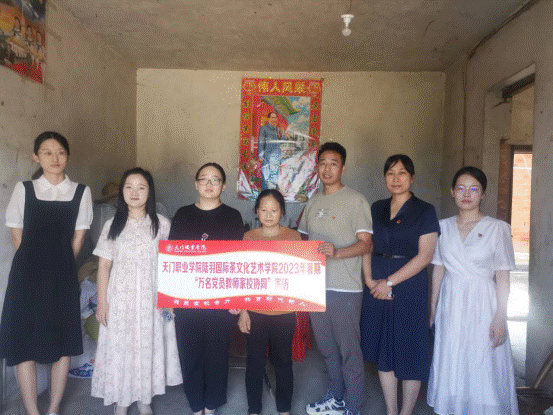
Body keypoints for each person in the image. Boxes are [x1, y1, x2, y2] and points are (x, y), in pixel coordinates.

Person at [0, 131, 93, 415]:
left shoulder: (81, 192)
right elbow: (17, 235)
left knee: (63, 344)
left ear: (68, 157)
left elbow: (78, 239)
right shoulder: (24, 189)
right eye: (47, 152)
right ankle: (32, 411)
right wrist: (36, 265)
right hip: (26, 276)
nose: (55, 158)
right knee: (23, 344)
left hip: (63, 276)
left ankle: (53, 408)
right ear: (36, 157)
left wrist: (59, 266)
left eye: (60, 152)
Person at [427, 166, 519, 415]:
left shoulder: (497, 228)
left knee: (483, 359)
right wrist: (433, 308)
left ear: (483, 194)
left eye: (474, 189)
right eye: (461, 188)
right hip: (451, 302)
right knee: (453, 356)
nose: (466, 194)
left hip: (483, 302)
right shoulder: (442, 227)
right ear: (452, 192)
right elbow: (438, 269)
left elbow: (503, 276)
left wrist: (501, 316)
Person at [91, 167, 182, 415]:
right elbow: (104, 266)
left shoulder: (162, 225)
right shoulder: (112, 224)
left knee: (147, 346)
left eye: (141, 187)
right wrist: (102, 303)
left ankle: (144, 399)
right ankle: (121, 400)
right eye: (129, 187)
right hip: (120, 299)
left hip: (152, 300)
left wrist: (170, 301)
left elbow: (170, 265)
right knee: (122, 347)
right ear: (122, 192)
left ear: (149, 192)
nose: (134, 192)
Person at [360, 154, 439, 415]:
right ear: (385, 178)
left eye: (402, 173)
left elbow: (425, 256)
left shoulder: (425, 210)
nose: (396, 178)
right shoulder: (376, 208)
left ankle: (406, 412)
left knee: (409, 349)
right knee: (384, 348)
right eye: (390, 173)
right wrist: (370, 280)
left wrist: (390, 282)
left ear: (412, 177)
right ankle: (391, 411)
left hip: (409, 286)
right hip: (377, 284)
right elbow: (366, 245)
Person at [299, 142, 372, 415]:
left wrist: (337, 252)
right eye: (322, 163)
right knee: (327, 348)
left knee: (349, 351)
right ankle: (336, 397)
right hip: (315, 287)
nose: (327, 169)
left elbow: (366, 244)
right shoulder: (313, 202)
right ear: (316, 167)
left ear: (343, 167)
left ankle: (353, 406)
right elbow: (303, 240)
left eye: (333, 163)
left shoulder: (356, 200)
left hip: (345, 289)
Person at [169, 162, 244, 415]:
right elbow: (173, 258)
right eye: (204, 179)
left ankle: (211, 406)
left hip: (220, 298)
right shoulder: (182, 215)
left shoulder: (233, 216)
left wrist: (236, 298)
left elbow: (237, 260)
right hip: (187, 298)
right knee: (189, 353)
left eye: (215, 179)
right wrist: (172, 298)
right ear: (196, 184)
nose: (209, 184)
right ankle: (196, 405)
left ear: (223, 186)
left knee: (217, 354)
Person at [239, 189, 301, 415]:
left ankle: (284, 409)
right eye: (263, 210)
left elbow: (300, 274)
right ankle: (254, 409)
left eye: (274, 210)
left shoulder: (293, 237)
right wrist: (243, 311)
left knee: (283, 363)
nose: (268, 214)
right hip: (255, 313)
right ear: (257, 211)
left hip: (284, 313)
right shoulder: (249, 237)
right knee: (255, 363)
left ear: (282, 212)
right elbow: (242, 276)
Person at [258, 111, 283, 190]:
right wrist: (260, 156)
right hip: (267, 158)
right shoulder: (264, 129)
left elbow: (280, 142)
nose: (274, 119)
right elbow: (261, 142)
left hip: (276, 158)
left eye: (275, 118)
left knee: (275, 178)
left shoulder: (277, 129)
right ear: (268, 119)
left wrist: (284, 136)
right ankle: (264, 194)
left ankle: (274, 194)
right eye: (272, 117)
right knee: (266, 178)